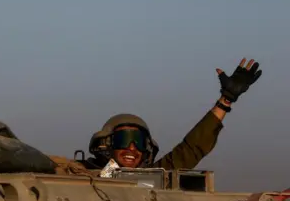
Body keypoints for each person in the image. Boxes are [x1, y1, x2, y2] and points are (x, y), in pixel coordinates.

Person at [84, 58, 262, 170]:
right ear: (106, 144)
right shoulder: (82, 176)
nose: (132, 148)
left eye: (138, 141)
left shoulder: (156, 179)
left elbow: (191, 149)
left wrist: (226, 101)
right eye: (124, 139)